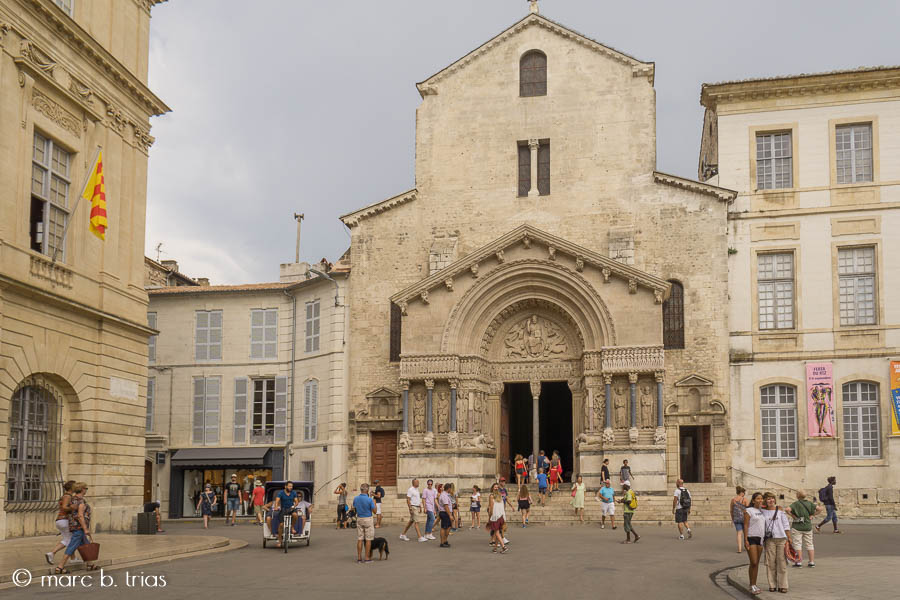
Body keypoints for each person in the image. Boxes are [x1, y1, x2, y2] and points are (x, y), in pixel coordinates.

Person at [56, 482, 96, 573]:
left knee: (85, 545)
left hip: (74, 526)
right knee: (72, 546)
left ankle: (90, 564)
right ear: (82, 489)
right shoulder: (80, 501)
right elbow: (80, 516)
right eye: (86, 488)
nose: (86, 490)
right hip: (79, 528)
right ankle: (60, 567)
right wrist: (85, 529)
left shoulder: (73, 499)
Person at [761, 491, 792, 593]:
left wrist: (789, 538)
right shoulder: (762, 511)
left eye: (772, 498)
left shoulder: (780, 510)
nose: (771, 500)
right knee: (770, 563)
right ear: (765, 500)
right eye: (768, 499)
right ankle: (772, 585)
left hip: (781, 539)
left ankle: (783, 585)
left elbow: (786, 524)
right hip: (769, 540)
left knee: (782, 563)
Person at [46, 480, 77, 565]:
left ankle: (73, 558)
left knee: (68, 539)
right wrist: (72, 507)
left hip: (61, 520)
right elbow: (64, 507)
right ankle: (52, 553)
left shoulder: (65, 496)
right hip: (64, 520)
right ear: (72, 487)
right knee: (70, 540)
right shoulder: (67, 496)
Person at [787, 490, 819, 568]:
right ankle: (811, 562)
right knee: (809, 544)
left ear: (797, 496)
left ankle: (799, 562)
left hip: (797, 526)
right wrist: (812, 515)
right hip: (807, 526)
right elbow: (820, 509)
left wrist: (792, 516)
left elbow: (787, 509)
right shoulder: (810, 503)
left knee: (797, 544)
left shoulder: (795, 504)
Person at [743, 492, 766, 596]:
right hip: (751, 538)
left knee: (756, 564)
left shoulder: (762, 511)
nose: (760, 500)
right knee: (754, 561)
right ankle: (752, 585)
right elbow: (746, 525)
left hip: (760, 539)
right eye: (758, 499)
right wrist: (745, 539)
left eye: (761, 499)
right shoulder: (749, 510)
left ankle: (754, 584)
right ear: (753, 500)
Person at [353, 483, 377, 563]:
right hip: (368, 518)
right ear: (367, 490)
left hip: (359, 518)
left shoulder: (356, 498)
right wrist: (374, 503)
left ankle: (359, 558)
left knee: (360, 538)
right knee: (368, 539)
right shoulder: (369, 499)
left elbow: (354, 507)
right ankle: (367, 558)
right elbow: (375, 511)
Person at [273, 481, 300, 547]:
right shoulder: (281, 493)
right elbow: (277, 500)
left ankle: (292, 527)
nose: (291, 487)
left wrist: (294, 506)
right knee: (281, 525)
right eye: (289, 486)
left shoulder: (293, 493)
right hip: (283, 509)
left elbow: (296, 501)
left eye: (291, 486)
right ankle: (280, 541)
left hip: (291, 508)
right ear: (285, 486)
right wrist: (276, 506)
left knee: (295, 515)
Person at [487, 483, 508, 553]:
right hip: (501, 516)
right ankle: (495, 548)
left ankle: (503, 547)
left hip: (495, 516)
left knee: (496, 532)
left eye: (496, 487)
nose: (496, 488)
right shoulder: (500, 496)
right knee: (497, 532)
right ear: (493, 488)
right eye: (495, 487)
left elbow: (491, 508)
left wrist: (489, 518)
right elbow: (502, 507)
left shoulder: (491, 496)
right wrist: (504, 516)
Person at [730, 485, 749, 552]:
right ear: (742, 492)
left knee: (739, 533)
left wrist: (732, 519)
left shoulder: (733, 500)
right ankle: (747, 546)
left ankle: (739, 549)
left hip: (736, 518)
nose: (744, 494)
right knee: (746, 533)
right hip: (744, 518)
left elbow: (731, 510)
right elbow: (748, 510)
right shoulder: (745, 500)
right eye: (744, 493)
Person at [438, 483, 454, 547]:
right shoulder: (444, 495)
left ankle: (445, 540)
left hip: (445, 512)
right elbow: (446, 506)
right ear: (449, 488)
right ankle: (442, 542)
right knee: (444, 527)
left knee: (448, 526)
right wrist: (450, 515)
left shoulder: (446, 495)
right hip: (445, 513)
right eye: (451, 489)